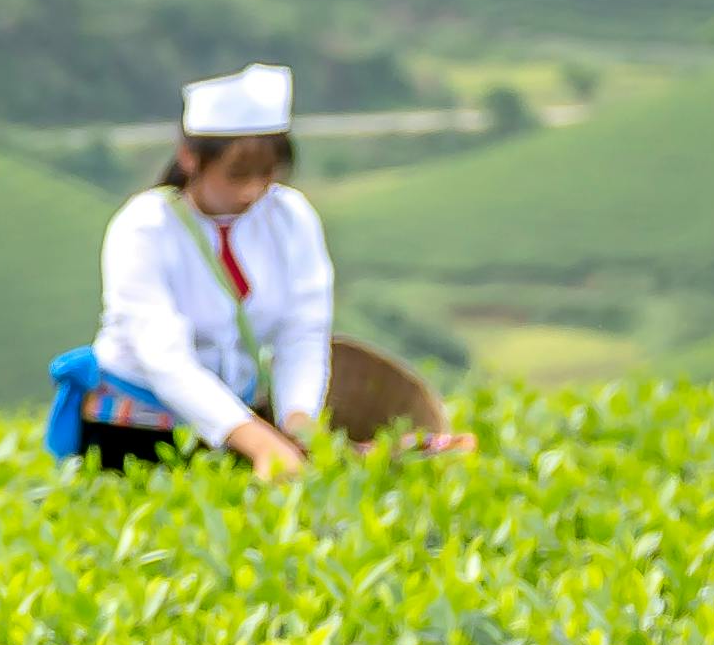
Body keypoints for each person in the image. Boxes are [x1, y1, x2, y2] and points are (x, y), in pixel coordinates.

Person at [52, 64, 466, 471]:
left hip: (244, 424)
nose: (252, 190)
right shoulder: (144, 226)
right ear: (190, 158)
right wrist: (255, 440)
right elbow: (163, 356)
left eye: (267, 174)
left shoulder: (290, 217)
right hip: (137, 433)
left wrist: (298, 423)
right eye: (237, 175)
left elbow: (302, 331)